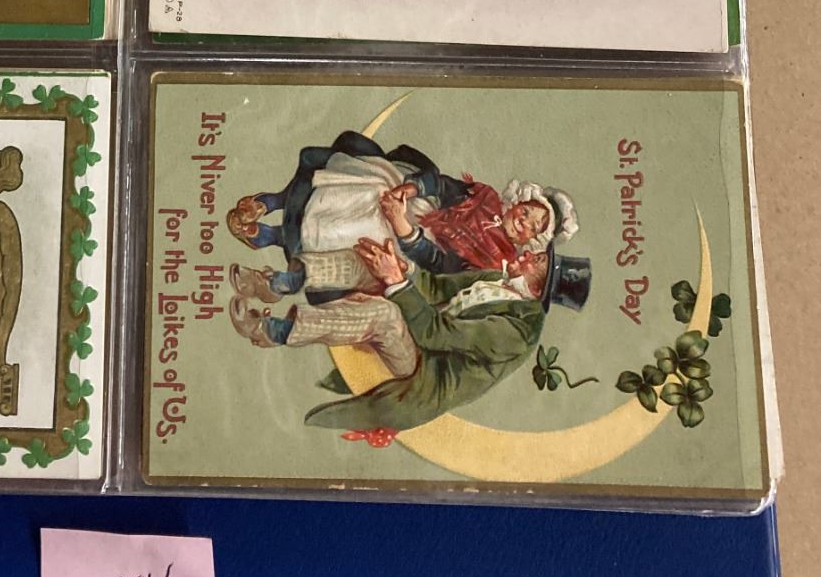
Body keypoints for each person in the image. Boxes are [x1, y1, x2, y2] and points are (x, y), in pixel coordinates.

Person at [229, 235, 593, 438]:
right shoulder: (499, 279)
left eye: (539, 261)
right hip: (422, 331)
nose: (530, 254)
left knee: (385, 314)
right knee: (369, 260)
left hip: (424, 370)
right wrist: (403, 270)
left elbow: (437, 333)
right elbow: (435, 287)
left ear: (540, 286)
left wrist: (396, 282)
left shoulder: (519, 331)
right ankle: (278, 283)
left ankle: (272, 331)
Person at [227, 130, 576, 305]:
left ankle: (274, 236)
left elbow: (442, 265)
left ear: (531, 241)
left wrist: (403, 228)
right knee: (378, 184)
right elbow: (442, 186)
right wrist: (412, 189)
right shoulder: (484, 197)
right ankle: (274, 201)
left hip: (417, 249)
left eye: (533, 227)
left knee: (372, 231)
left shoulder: (494, 262)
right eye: (527, 212)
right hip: (421, 209)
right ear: (518, 202)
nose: (524, 221)